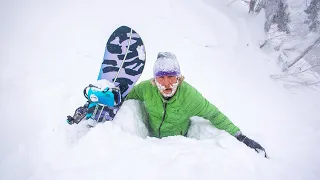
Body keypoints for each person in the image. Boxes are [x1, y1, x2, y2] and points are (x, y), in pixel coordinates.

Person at [126, 52, 267, 157]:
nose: (167, 83)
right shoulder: (146, 89)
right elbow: (128, 95)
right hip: (150, 146)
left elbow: (214, 114)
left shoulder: (189, 96)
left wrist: (239, 136)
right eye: (161, 78)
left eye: (171, 77)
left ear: (179, 78)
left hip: (178, 148)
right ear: (154, 80)